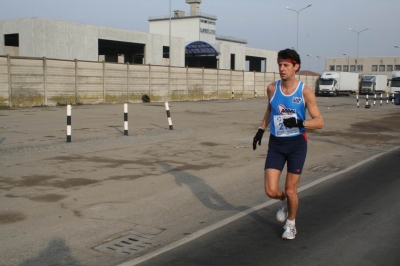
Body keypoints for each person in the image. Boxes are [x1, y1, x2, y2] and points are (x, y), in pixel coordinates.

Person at [252, 48, 324, 240]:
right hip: (276, 144)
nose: (282, 69)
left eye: (286, 65)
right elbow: (270, 109)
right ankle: (283, 201)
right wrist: (261, 129)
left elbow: (319, 121)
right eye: (280, 65)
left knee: (292, 189)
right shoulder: (272, 89)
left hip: (297, 145)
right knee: (270, 190)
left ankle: (291, 224)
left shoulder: (305, 91)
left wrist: (300, 123)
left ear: (296, 67)